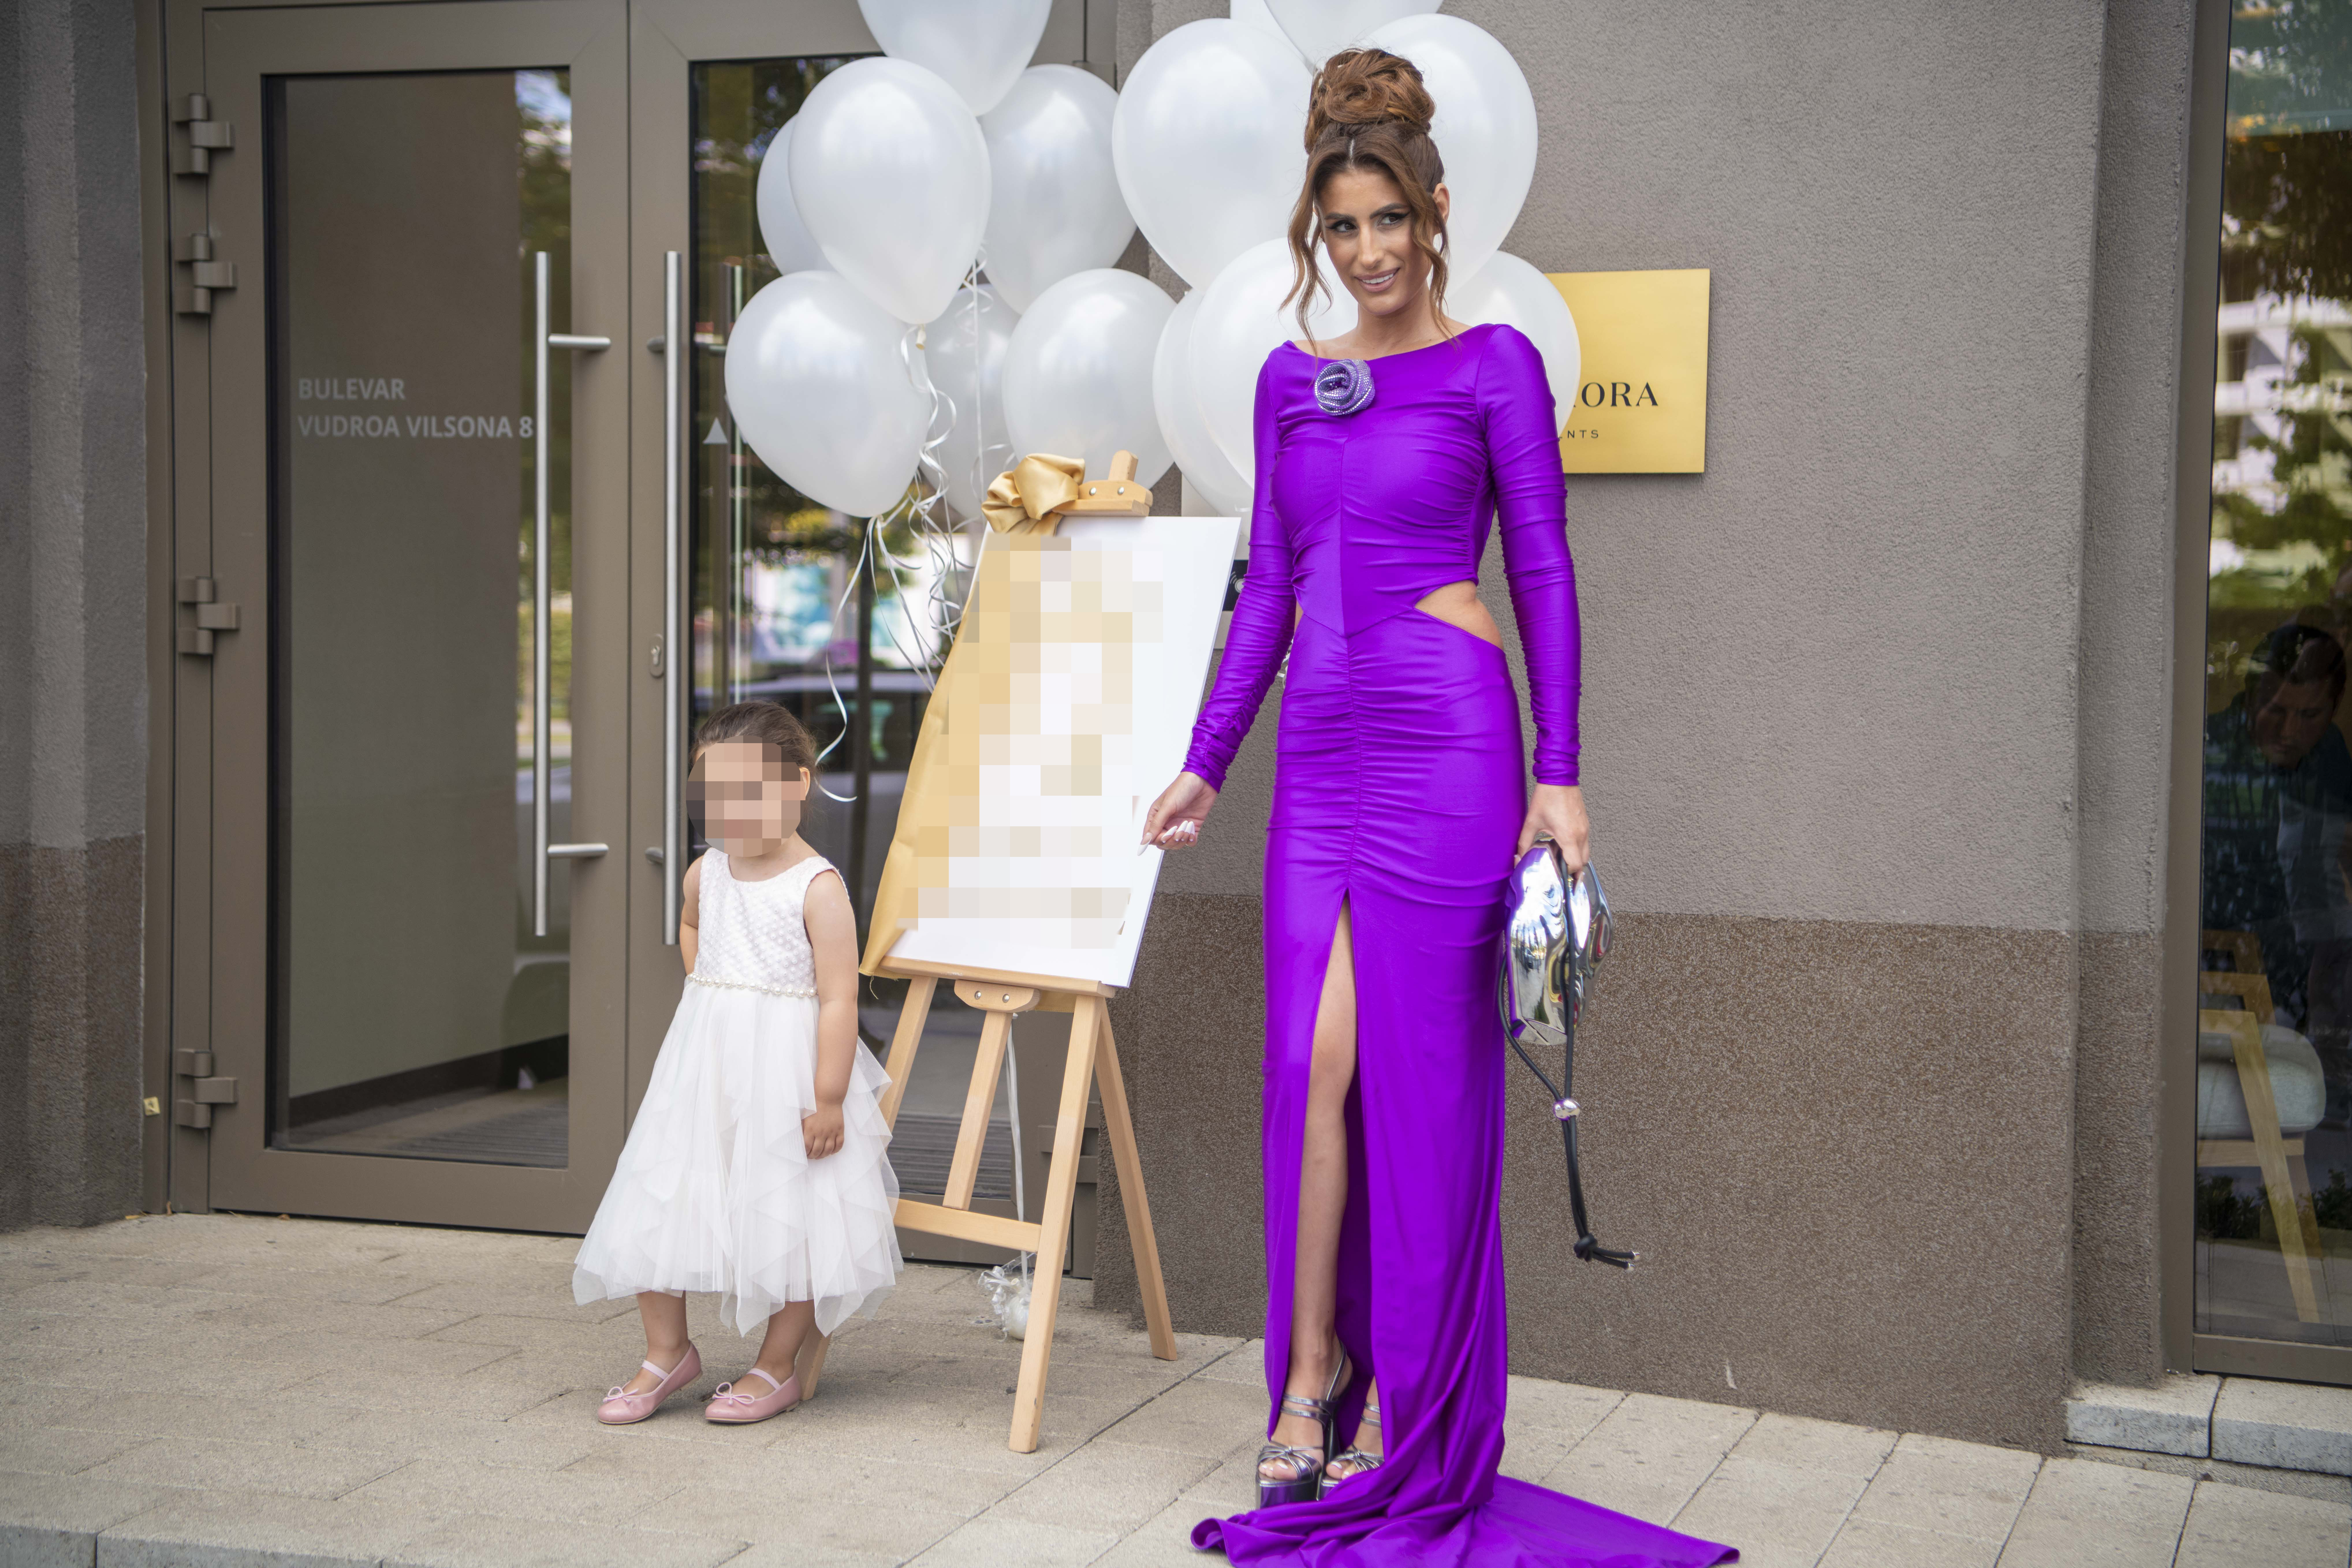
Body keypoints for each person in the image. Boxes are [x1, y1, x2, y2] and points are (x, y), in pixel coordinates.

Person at [1140, 48, 1733, 1568]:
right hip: (1319, 765)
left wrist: (1562, 771)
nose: (1367, 253)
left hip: (1455, 750)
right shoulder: (1288, 381)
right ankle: (1310, 1374)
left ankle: (1406, 1394)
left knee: (1423, 1080)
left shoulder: (1494, 369)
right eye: (1340, 228)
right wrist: (1210, 756)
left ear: (1435, 210)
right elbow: (1268, 581)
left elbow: (1542, 570)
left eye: (1388, 220)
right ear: (1316, 236)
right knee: (1309, 1065)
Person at [572, 701, 901, 1424]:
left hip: (789, 1071)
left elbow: (840, 998)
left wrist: (828, 1095)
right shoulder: (707, 874)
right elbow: (691, 924)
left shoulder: (816, 887)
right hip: (705, 1066)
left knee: (794, 1209)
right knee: (661, 1194)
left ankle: (775, 1364)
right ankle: (667, 1352)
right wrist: (708, 987)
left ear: (796, 786)